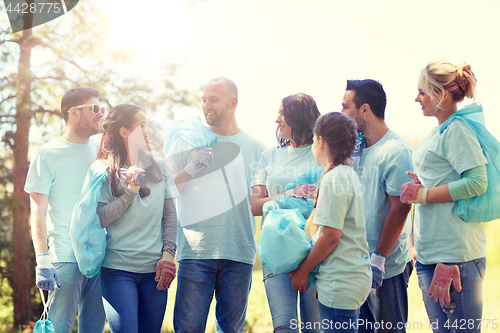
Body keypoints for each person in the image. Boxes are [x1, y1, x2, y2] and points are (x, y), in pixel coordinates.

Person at [166, 77, 266, 333]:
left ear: (233, 103)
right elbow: (167, 190)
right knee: (188, 329)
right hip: (195, 250)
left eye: (213, 99)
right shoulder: (187, 142)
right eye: (203, 99)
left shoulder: (256, 149)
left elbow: (259, 200)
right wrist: (191, 167)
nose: (206, 106)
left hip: (239, 253)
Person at [73, 103, 178, 333]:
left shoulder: (160, 166)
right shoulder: (101, 170)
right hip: (118, 270)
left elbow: (170, 215)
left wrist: (168, 256)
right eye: (143, 126)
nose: (149, 131)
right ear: (124, 132)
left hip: (155, 272)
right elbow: (99, 218)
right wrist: (129, 191)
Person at [401, 61, 487, 332]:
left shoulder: (457, 129)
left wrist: (424, 193)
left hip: (453, 258)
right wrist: (423, 186)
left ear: (442, 94)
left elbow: (477, 182)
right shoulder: (436, 134)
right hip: (430, 257)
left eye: (423, 92)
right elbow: (444, 184)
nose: (417, 98)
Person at [24, 87, 106, 333]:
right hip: (64, 258)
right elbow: (37, 210)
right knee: (59, 328)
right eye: (94, 108)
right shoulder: (47, 154)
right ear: (74, 112)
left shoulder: (102, 153)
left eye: (102, 109)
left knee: (94, 329)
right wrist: (42, 259)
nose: (100, 114)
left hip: (99, 256)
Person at [341, 79, 413, 333]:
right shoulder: (356, 150)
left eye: (345, 107)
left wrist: (379, 258)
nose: (341, 113)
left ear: (365, 109)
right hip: (357, 267)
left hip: (386, 268)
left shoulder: (396, 150)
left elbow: (401, 207)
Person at [290, 112, 371, 333]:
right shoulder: (347, 174)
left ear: (321, 141)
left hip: (342, 279)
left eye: (314, 139)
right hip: (347, 277)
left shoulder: (333, 178)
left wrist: (303, 271)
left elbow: (331, 235)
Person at [251, 93, 322, 332]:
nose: (276, 120)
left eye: (282, 114)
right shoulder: (269, 156)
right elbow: (255, 205)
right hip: (278, 251)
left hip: (315, 252)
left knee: (315, 327)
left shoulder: (321, 155)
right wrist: (289, 194)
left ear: (298, 117)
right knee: (284, 327)